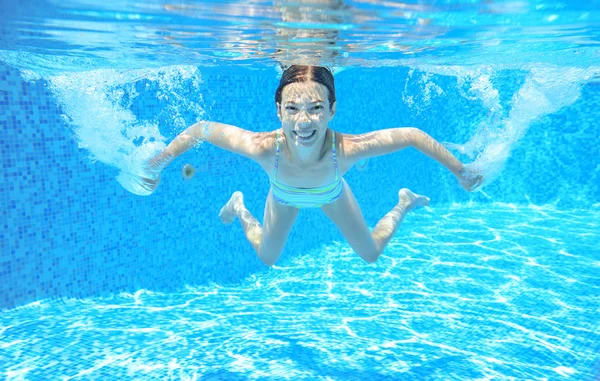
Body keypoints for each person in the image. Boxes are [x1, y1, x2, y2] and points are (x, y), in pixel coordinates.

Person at [144, 65, 483, 266]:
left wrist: (462, 172)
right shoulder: (264, 149)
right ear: (278, 110)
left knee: (370, 254)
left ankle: (403, 202)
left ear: (333, 110)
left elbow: (411, 135)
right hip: (283, 198)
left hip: (332, 195)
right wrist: (158, 164)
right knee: (268, 257)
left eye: (316, 108)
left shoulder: (345, 149)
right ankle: (239, 207)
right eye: (292, 109)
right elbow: (200, 129)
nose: (303, 122)